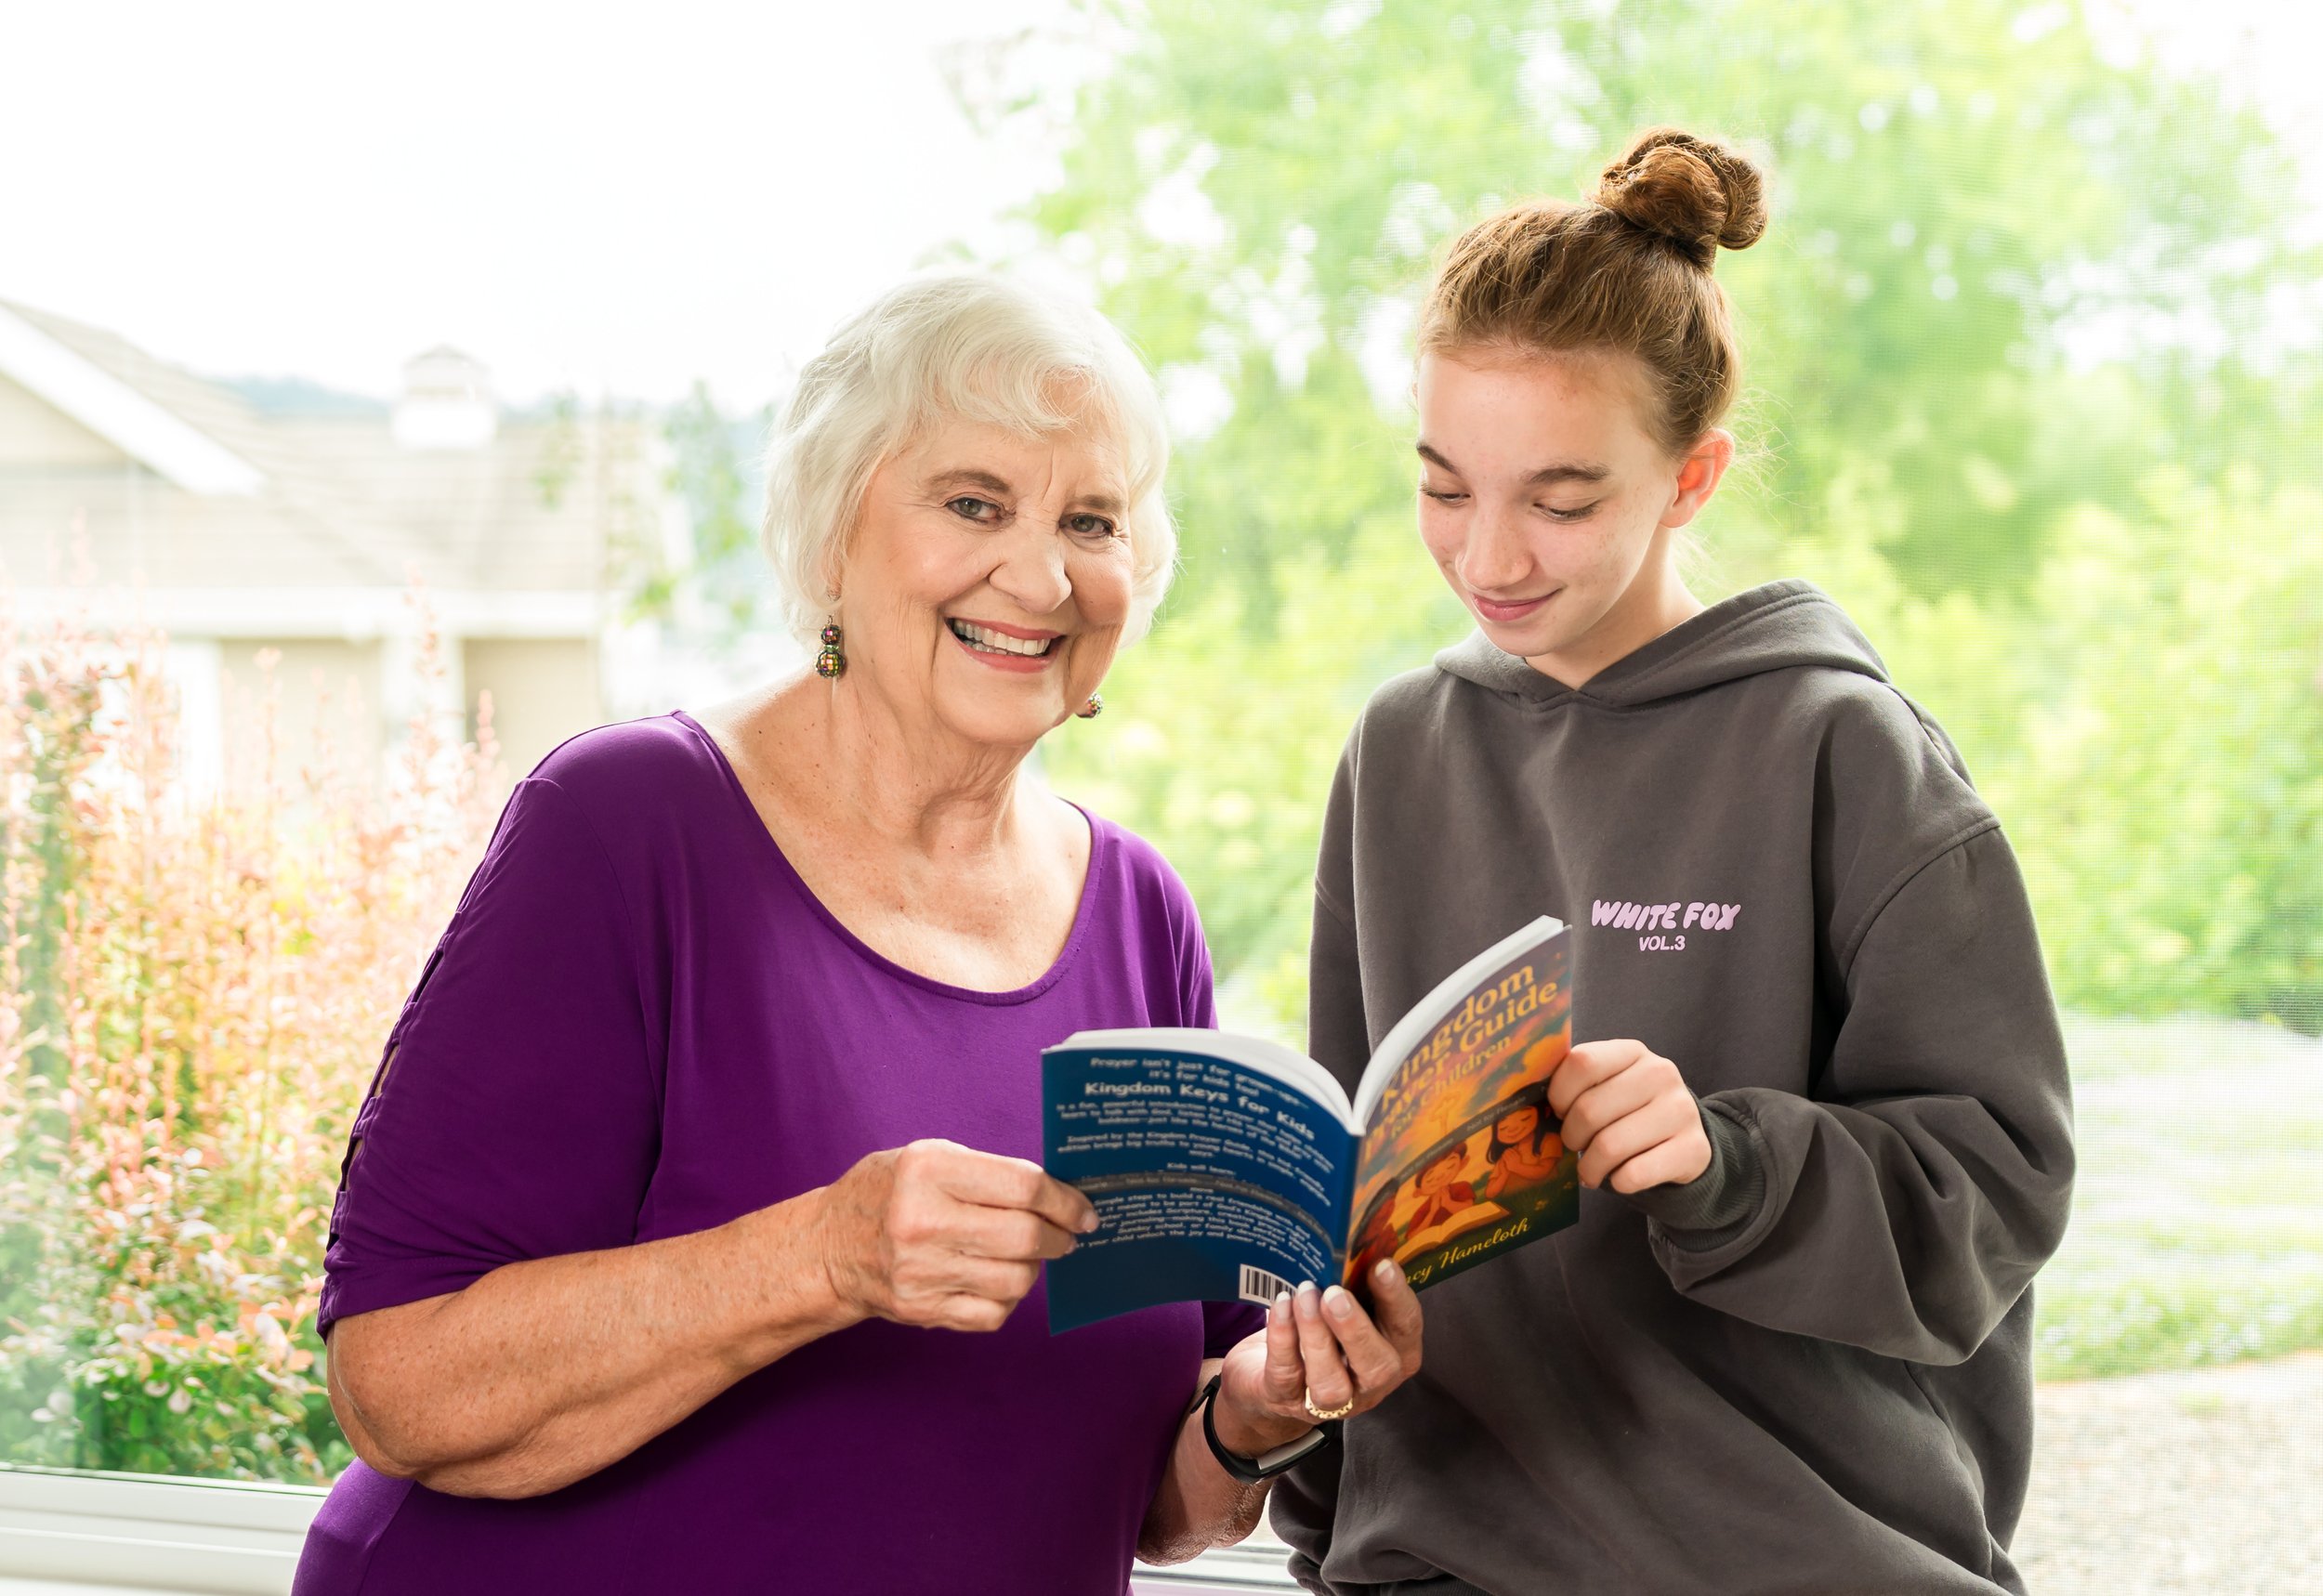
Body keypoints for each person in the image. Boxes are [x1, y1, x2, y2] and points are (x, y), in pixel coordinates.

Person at [295, 273, 1423, 1596]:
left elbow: (1140, 1499)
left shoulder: (1141, 919)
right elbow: (397, 1385)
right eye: (974, 503)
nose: (1043, 573)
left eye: (1092, 519)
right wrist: (825, 1252)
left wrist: (1260, 1413)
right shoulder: (626, 826)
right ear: (834, 537)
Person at [1270, 128, 2075, 1595]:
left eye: (1560, 499)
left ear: (1692, 478)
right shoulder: (1399, 750)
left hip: (1805, 1558)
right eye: (1446, 486)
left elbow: (1997, 1198)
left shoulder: (1846, 748)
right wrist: (1319, 1460)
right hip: (1438, 1558)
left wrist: (1725, 1160)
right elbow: (1346, 1184)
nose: (1489, 555)